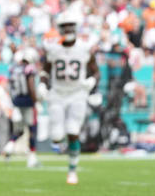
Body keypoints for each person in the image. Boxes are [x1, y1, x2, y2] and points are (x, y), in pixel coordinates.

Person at [40, 10, 99, 185]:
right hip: (57, 93)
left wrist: (91, 81)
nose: (67, 29)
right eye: (64, 26)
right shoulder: (53, 48)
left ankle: (72, 170)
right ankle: (62, 144)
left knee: (73, 130)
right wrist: (43, 84)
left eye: (70, 26)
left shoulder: (84, 48)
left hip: (77, 93)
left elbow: (95, 71)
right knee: (57, 135)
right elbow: (45, 70)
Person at [4, 48, 40, 168]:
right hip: (27, 102)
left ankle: (9, 146)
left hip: (16, 102)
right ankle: (32, 158)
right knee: (32, 129)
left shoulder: (13, 68)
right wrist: (35, 100)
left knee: (19, 129)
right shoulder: (28, 69)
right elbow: (30, 85)